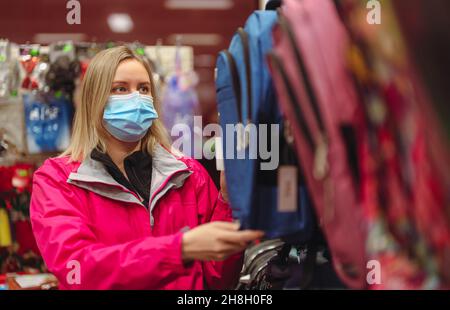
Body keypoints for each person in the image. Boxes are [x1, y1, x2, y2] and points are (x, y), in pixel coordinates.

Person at [30, 46, 264, 290]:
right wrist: (179, 249)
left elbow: (218, 282)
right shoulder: (57, 180)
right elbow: (79, 270)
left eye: (144, 89)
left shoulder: (189, 175)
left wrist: (227, 200)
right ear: (94, 99)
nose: (137, 98)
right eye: (120, 88)